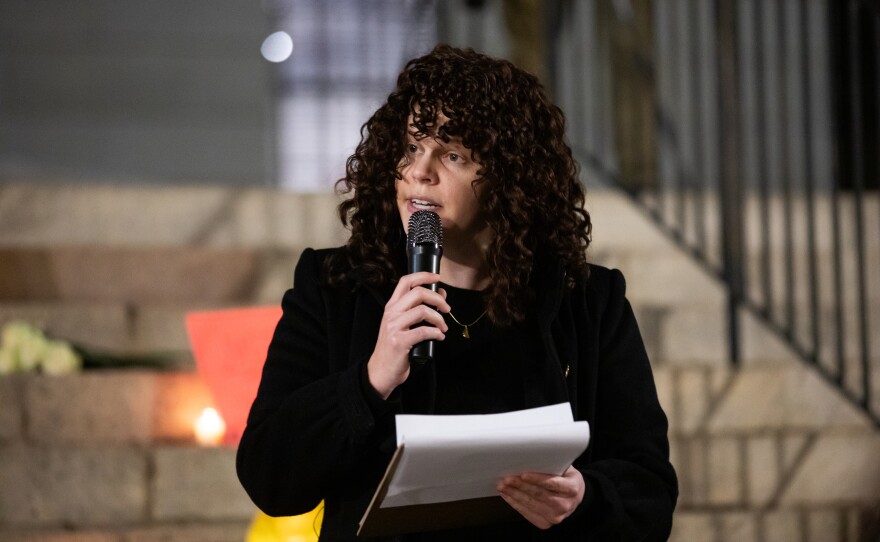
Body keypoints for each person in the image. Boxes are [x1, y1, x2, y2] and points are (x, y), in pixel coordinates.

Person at [236, 44, 678, 541]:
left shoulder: (588, 302)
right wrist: (370, 380)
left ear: (511, 182)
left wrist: (585, 498)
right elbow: (269, 476)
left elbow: (650, 493)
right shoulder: (335, 288)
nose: (420, 171)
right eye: (410, 147)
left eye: (452, 154)